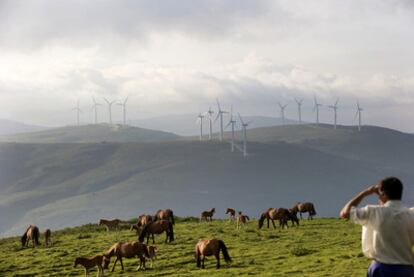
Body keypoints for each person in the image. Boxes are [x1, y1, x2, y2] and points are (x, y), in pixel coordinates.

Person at [340, 177, 414, 277]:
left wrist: (366, 192)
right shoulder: (411, 214)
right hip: (406, 269)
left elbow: (345, 213)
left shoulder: (373, 211)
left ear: (383, 193)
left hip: (381, 268)